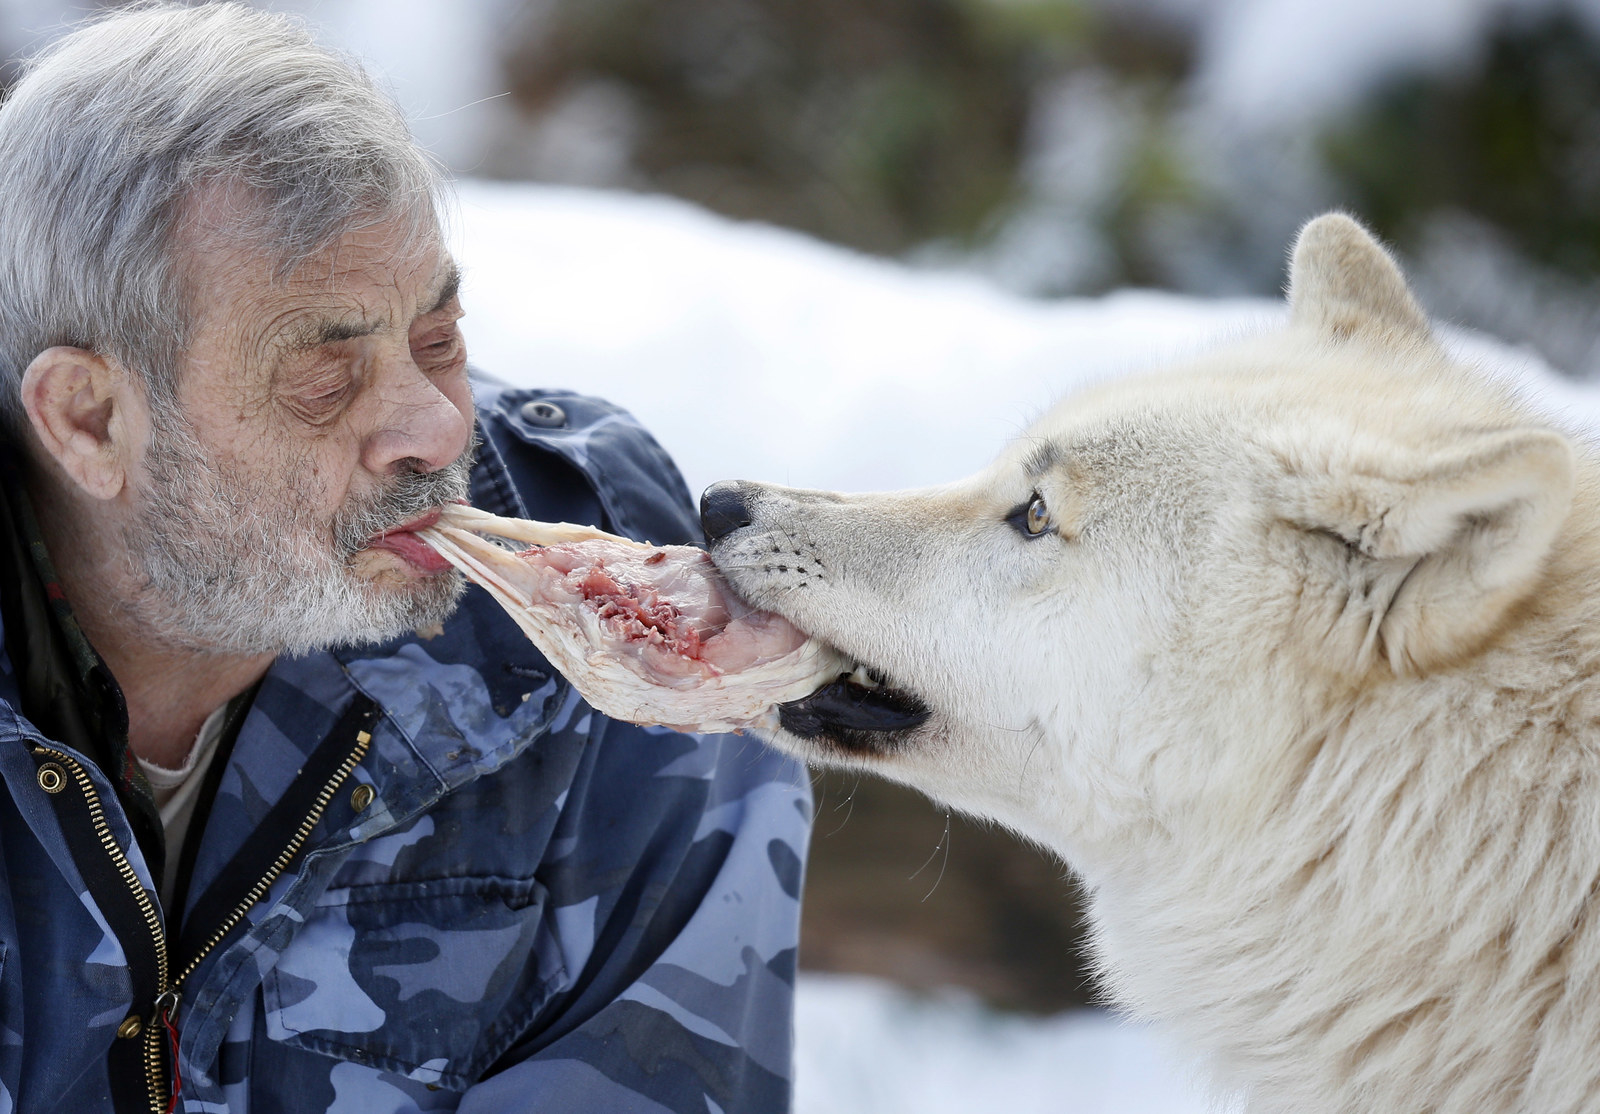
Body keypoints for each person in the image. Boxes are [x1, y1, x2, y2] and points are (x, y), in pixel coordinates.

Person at [0, 4, 810, 1112]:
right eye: (324, 380)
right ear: (89, 420)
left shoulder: (589, 593)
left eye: (441, 340)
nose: (434, 428)